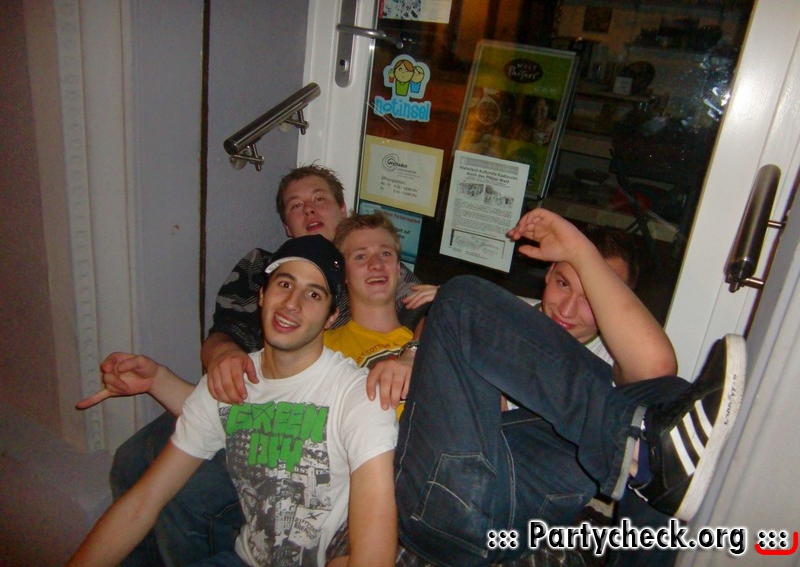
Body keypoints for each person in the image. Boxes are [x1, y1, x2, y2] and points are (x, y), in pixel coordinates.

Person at [109, 164, 431, 566]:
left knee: (185, 493)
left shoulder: (368, 268)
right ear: (286, 226)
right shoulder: (261, 266)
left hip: (313, 436)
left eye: (319, 199)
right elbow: (222, 336)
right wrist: (221, 359)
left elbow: (433, 312)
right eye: (296, 205)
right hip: (242, 390)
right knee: (134, 460)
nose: (308, 209)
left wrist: (415, 349)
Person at [392, 208, 745, 566]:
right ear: (548, 273)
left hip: (519, 516)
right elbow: (445, 319)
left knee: (666, 404)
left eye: (591, 296)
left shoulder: (616, 356)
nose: (568, 309)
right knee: (461, 297)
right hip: (444, 497)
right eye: (563, 283)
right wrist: (415, 351)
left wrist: (579, 251)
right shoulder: (503, 317)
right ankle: (641, 454)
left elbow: (658, 369)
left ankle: (643, 466)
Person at [69, 236, 399, 567]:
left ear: (330, 317)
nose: (292, 303)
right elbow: (142, 502)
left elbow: (374, 559)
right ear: (262, 294)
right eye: (285, 284)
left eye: (313, 294)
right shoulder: (229, 382)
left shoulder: (359, 397)